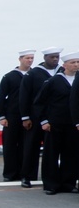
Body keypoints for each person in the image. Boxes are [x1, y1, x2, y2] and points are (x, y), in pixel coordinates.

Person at [32, 50, 79, 195]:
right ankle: (51, 184)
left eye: (78, 62)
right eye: (73, 62)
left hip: (73, 123)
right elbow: (39, 102)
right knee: (51, 154)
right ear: (64, 65)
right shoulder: (54, 81)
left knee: (71, 154)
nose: (76, 65)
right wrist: (44, 121)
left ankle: (68, 183)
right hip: (55, 123)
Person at [19, 47, 62, 188]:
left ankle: (53, 177)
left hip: (55, 117)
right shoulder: (33, 74)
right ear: (45, 58)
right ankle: (27, 176)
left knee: (53, 149)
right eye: (52, 57)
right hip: (35, 116)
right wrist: (25, 117)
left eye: (57, 57)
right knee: (31, 147)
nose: (55, 59)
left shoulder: (61, 72)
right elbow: (24, 96)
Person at [0, 49, 34, 182]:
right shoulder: (9, 77)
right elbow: (1, 97)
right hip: (12, 116)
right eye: (27, 58)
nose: (29, 60)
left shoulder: (35, 75)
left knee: (27, 145)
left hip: (30, 116)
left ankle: (26, 173)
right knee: (10, 145)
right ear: (20, 59)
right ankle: (10, 173)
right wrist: (2, 116)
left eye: (31, 58)